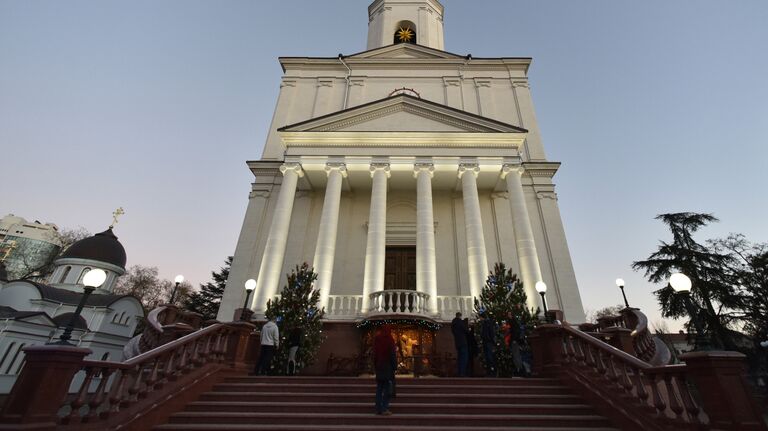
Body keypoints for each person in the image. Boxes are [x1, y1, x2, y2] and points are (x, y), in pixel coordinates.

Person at [373, 325, 397, 416]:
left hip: (379, 367)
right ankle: (384, 408)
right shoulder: (390, 340)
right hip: (388, 368)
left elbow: (375, 354)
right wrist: (395, 367)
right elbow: (392, 355)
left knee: (379, 389)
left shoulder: (377, 339)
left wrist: (376, 366)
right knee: (387, 389)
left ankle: (378, 408)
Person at [451, 312, 469, 376]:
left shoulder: (453, 323)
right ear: (460, 316)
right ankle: (462, 373)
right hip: (463, 342)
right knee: (464, 358)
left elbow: (453, 331)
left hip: (457, 342)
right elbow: (466, 330)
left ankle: (460, 372)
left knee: (459, 357)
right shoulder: (461, 322)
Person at [480, 313, 497, 377]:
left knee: (489, 357)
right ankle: (490, 371)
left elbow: (491, 333)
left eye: (480, 317)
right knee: (487, 357)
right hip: (486, 342)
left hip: (488, 342)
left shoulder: (487, 323)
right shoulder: (485, 323)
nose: (480, 319)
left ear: (482, 317)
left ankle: (492, 371)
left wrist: (491, 341)